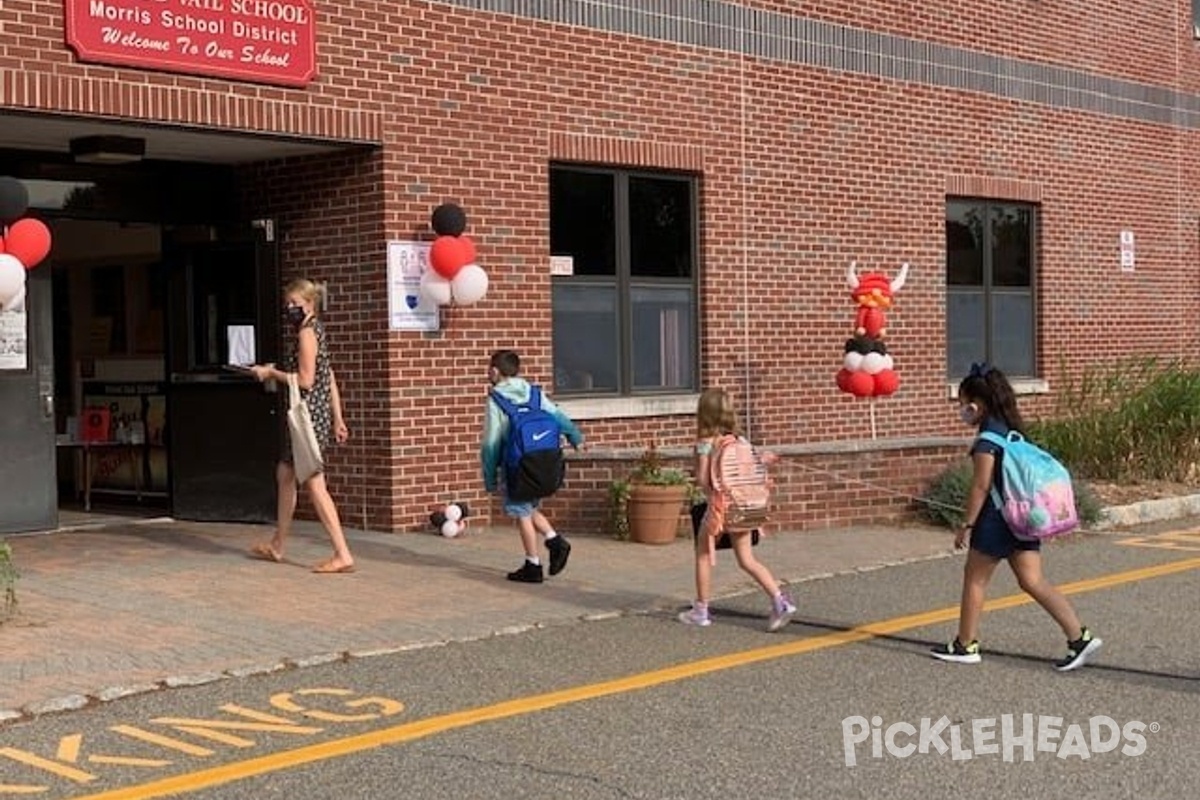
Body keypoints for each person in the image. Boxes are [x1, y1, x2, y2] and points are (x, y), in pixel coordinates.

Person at [932, 362, 1102, 670]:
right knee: (1032, 580)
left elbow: (981, 487)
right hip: (1025, 519)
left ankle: (965, 644)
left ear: (977, 405)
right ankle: (1079, 637)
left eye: (963, 403)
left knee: (975, 580)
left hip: (996, 521)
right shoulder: (1011, 433)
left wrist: (966, 525)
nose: (961, 410)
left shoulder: (987, 442)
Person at [247, 279, 356, 575]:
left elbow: (307, 380)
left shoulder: (307, 333)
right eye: (288, 305)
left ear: (310, 304)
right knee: (285, 474)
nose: (290, 309)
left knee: (314, 484)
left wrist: (270, 372)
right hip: (314, 415)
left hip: (308, 417)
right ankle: (278, 544)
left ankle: (342, 552)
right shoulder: (315, 330)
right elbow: (327, 375)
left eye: (295, 304)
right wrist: (338, 416)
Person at [678, 388, 796, 631]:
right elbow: (751, 470)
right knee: (747, 559)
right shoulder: (741, 441)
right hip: (747, 506)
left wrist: (704, 480)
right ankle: (779, 599)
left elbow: (703, 479)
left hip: (720, 508)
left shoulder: (704, 443)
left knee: (702, 555)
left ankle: (701, 611)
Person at [480, 349, 583, 583]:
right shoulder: (533, 393)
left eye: (489, 368)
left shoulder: (496, 399)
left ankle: (532, 565)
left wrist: (489, 476)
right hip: (541, 461)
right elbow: (558, 416)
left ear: (495, 371)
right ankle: (555, 541)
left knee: (522, 515)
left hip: (517, 465)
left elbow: (491, 442)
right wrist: (575, 436)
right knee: (528, 507)